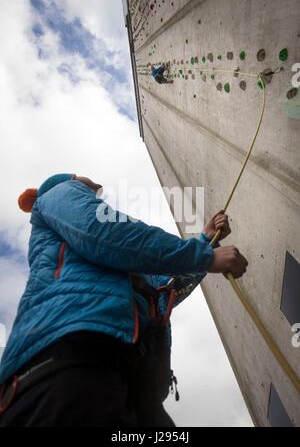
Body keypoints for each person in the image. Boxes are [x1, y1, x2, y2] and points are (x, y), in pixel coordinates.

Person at [0, 173, 248, 427]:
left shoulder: (118, 268)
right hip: (69, 363)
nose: (95, 183)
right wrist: (203, 256)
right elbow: (101, 231)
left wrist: (204, 241)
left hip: (126, 379)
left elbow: (162, 289)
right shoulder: (60, 191)